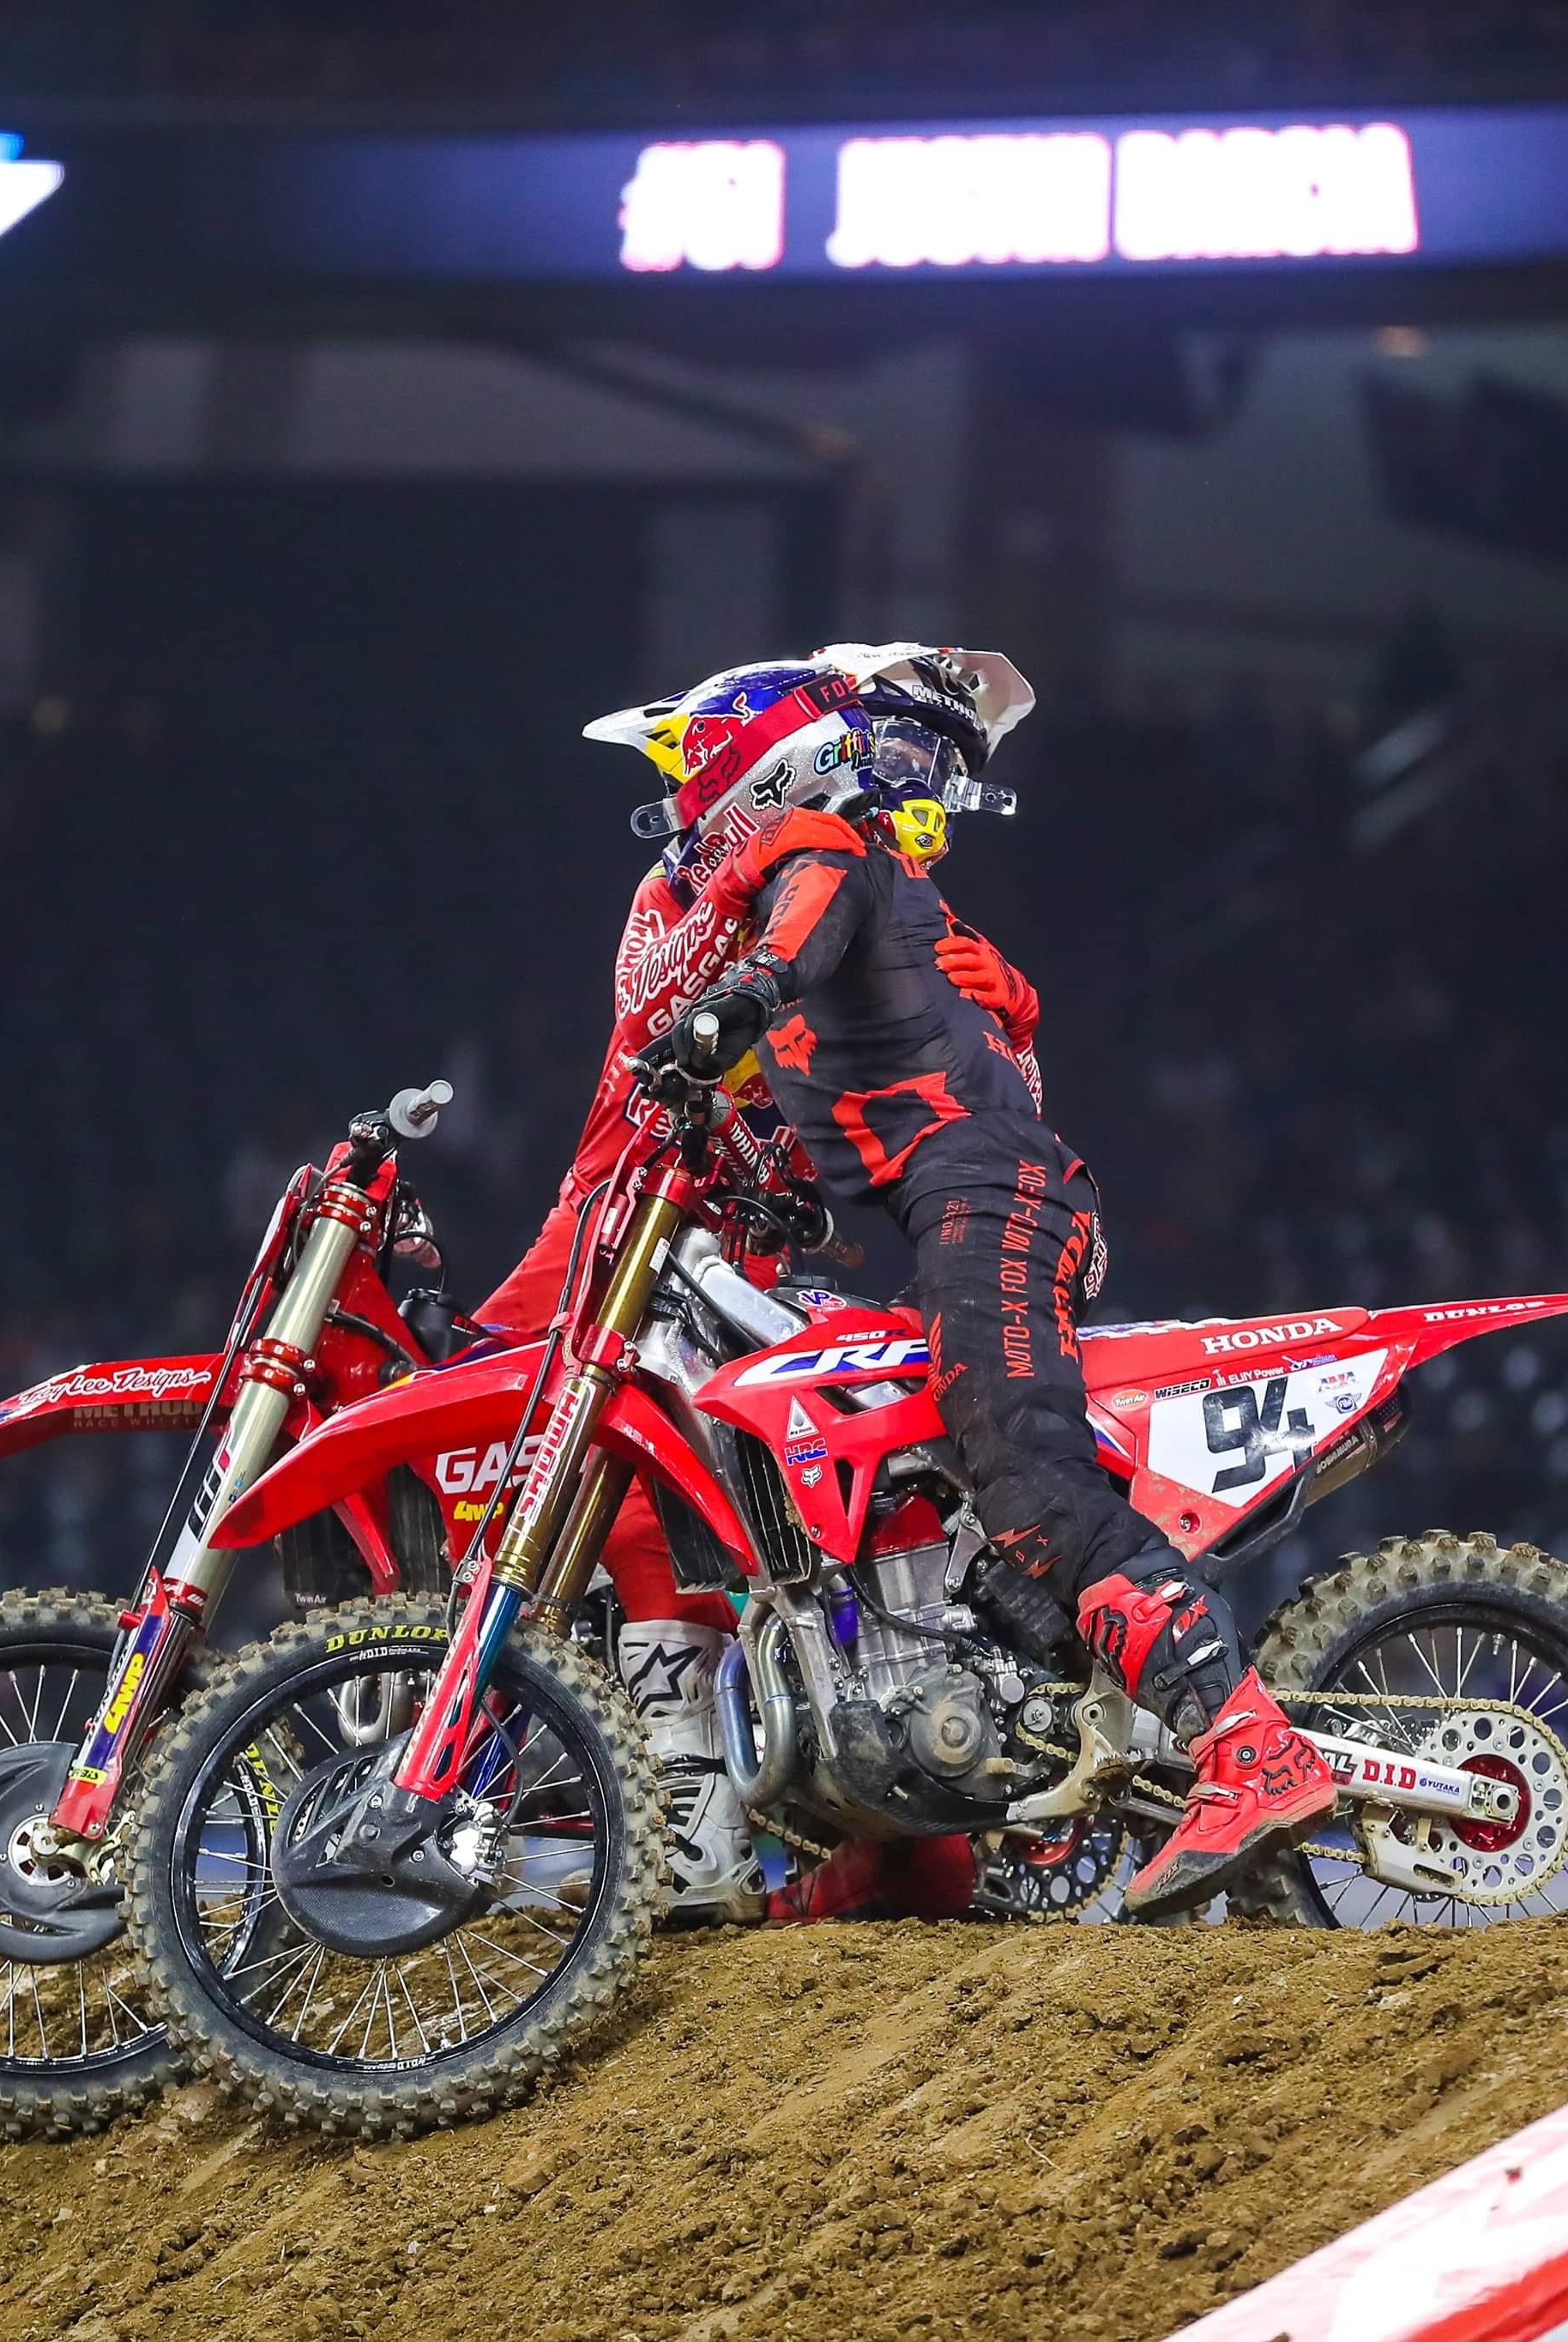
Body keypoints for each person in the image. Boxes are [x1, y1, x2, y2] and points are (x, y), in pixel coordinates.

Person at [630, 645, 1335, 1918]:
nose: (683, 814)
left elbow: (798, 941)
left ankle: (1248, 1746)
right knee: (925, 1479)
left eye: (695, 781)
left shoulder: (822, 847)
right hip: (966, 1200)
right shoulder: (881, 902)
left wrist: (735, 1003)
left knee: (1029, 1481)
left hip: (983, 1194)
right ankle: (1030, 1737)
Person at [473, 646, 1048, 1924]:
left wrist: (1010, 1026)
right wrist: (766, 879)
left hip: (747, 1260)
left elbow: (991, 1110)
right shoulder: (689, 883)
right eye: (898, 754)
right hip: (613, 1226)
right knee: (484, 1463)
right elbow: (659, 1013)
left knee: (855, 1507)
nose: (916, 787)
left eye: (933, 767)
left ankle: (879, 1835)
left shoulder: (890, 902)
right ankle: (438, 1760)